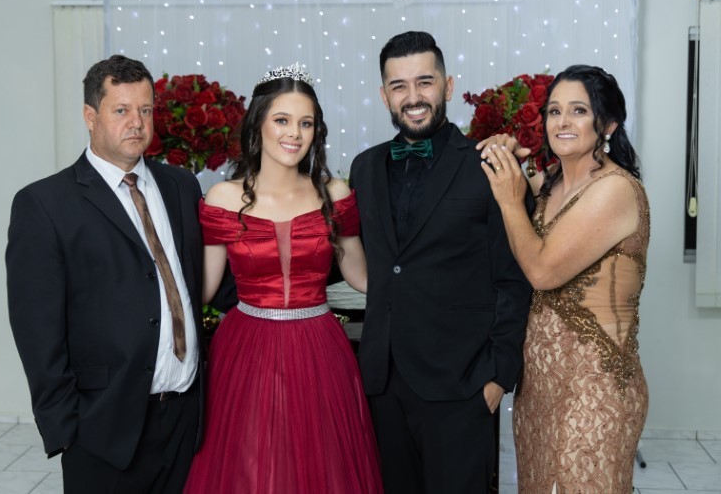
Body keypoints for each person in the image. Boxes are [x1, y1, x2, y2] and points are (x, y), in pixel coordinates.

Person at [6, 54, 223, 493]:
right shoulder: (45, 204)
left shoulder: (180, 186)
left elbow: (205, 279)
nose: (136, 123)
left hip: (185, 418)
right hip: (102, 426)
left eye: (145, 110)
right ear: (90, 116)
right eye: (121, 110)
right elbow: (36, 331)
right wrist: (66, 429)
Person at [183, 64, 383, 494]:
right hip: (246, 350)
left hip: (319, 347)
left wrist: (430, 275)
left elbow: (361, 275)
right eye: (282, 120)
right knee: (251, 469)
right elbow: (204, 290)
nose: (295, 133)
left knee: (323, 467)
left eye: (306, 123)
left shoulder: (334, 193)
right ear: (258, 124)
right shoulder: (223, 197)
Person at [348, 30, 533, 493]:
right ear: (384, 95)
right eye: (399, 86)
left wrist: (498, 375)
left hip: (462, 383)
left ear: (448, 86)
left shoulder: (491, 165)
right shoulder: (363, 168)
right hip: (383, 382)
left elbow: (515, 276)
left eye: (424, 82)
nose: (413, 97)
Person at [480, 64, 649, 492]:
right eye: (555, 111)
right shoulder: (551, 183)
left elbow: (541, 271)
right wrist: (507, 158)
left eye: (579, 110)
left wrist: (509, 200)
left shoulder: (615, 189)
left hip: (596, 389)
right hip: (539, 388)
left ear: (608, 124)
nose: (562, 122)